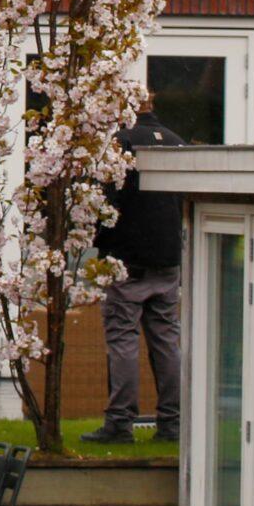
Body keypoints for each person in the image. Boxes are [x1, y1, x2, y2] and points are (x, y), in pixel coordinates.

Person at [89, 101, 185, 444]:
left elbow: (107, 204)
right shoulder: (176, 142)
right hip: (168, 258)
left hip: (127, 259)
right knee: (166, 341)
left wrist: (99, 240)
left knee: (123, 338)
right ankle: (172, 423)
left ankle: (119, 422)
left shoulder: (121, 143)